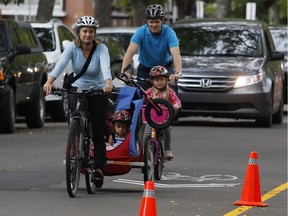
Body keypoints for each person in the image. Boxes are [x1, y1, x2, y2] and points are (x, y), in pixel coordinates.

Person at [43, 15, 113, 187]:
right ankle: (75, 143)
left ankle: (98, 168)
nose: (87, 35)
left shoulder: (101, 49)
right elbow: (60, 65)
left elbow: (105, 66)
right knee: (76, 117)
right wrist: (49, 81)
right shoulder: (72, 48)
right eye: (84, 31)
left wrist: (108, 82)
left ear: (94, 34)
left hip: (98, 90)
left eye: (91, 32)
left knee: (97, 131)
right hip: (78, 88)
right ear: (79, 33)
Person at [121, 4, 182, 91]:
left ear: (162, 20)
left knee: (171, 88)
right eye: (151, 22)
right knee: (139, 93)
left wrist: (178, 73)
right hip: (145, 69)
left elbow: (176, 54)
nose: (154, 25)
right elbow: (130, 52)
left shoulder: (169, 33)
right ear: (147, 21)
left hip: (165, 68)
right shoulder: (141, 32)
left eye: (157, 22)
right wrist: (124, 72)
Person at [143, 66, 181, 160]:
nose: (159, 82)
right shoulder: (149, 92)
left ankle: (167, 149)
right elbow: (143, 101)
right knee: (147, 135)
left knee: (167, 131)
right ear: (152, 82)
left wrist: (176, 105)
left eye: (162, 79)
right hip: (151, 119)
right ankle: (144, 152)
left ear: (166, 80)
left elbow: (177, 101)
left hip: (165, 119)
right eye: (156, 80)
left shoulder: (169, 92)